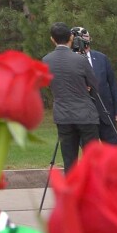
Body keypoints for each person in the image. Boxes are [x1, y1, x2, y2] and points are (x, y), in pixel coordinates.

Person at [42, 24, 100, 174]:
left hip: (63, 115)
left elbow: (47, 83)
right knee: (92, 161)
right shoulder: (80, 60)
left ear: (52, 39)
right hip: (85, 115)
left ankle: (72, 194)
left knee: (69, 161)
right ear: (71, 37)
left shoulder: (46, 60)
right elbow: (94, 84)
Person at [72, 26, 117, 145]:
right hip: (83, 115)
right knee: (90, 152)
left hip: (105, 112)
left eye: (85, 37)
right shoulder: (71, 60)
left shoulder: (101, 58)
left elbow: (112, 85)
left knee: (112, 150)